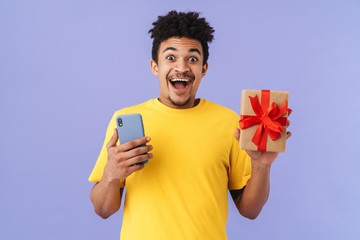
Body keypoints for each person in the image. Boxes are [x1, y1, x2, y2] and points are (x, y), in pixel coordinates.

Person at [89, 10, 291, 240]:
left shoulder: (229, 123)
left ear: (203, 69)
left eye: (193, 59)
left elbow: (250, 211)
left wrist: (261, 166)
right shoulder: (124, 120)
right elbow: (103, 210)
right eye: (171, 57)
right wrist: (111, 175)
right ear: (155, 66)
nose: (182, 67)